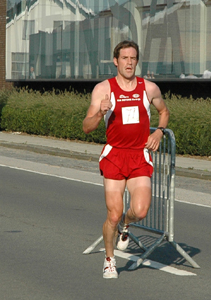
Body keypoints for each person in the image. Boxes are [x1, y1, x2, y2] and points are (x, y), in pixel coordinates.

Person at [82, 40, 169, 279]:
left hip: (138, 155)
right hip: (115, 155)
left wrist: (159, 131)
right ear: (116, 61)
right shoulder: (103, 89)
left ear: (137, 61)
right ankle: (109, 260)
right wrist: (100, 112)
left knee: (140, 210)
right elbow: (86, 127)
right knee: (113, 213)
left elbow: (164, 111)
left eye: (133, 59)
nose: (129, 63)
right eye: (125, 58)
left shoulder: (148, 88)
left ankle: (126, 225)